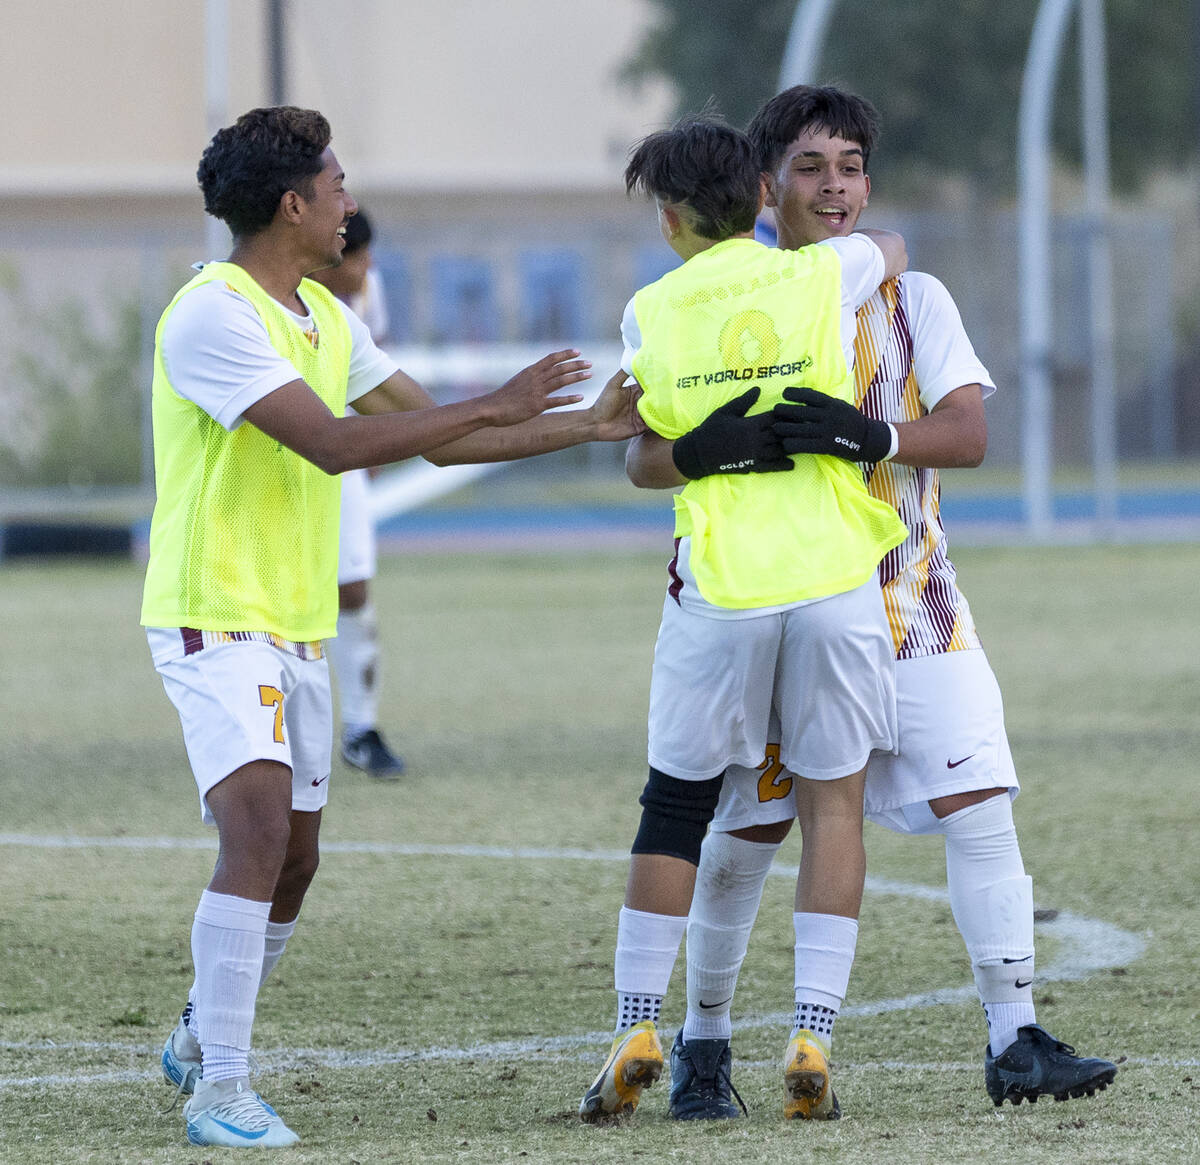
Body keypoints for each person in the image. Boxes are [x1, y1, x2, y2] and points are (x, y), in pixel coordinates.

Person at [143, 105, 642, 1149]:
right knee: (258, 831)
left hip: (295, 623)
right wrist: (496, 403)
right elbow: (331, 444)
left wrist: (588, 428)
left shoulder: (329, 316)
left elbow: (446, 440)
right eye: (335, 184)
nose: (348, 201)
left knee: (298, 861)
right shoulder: (212, 314)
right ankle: (220, 1088)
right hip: (212, 616)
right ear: (292, 204)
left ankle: (200, 1026)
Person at [648, 85, 1119, 1118]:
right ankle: (704, 1043)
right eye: (812, 167)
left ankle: (1015, 1034)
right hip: (783, 611)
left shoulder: (918, 298)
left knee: (980, 803)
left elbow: (967, 434)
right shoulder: (731, 296)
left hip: (914, 603)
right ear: (765, 185)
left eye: (852, 166)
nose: (836, 186)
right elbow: (654, 444)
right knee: (750, 831)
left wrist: (873, 435)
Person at [578, 114, 909, 1124]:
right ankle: (811, 1033)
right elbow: (888, 249)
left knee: (677, 804)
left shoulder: (650, 311)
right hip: (832, 577)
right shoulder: (821, 276)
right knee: (834, 808)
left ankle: (641, 1020)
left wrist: (705, 444)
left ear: (671, 218)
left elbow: (642, 448)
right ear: (765, 198)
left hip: (721, 585)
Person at [309, 209, 405, 780]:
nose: (367, 268)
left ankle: (361, 727)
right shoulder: (283, 295)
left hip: (343, 454)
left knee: (353, 586)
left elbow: (382, 368)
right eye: (359, 256)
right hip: (282, 457)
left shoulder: (367, 292)